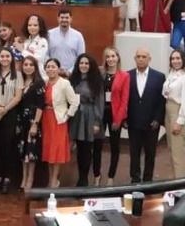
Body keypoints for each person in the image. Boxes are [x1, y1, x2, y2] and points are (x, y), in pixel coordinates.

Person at [126, 48, 166, 183]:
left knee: (150, 153)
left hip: (152, 123)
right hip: (133, 121)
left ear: (149, 59)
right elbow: (124, 99)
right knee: (134, 153)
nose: (141, 59)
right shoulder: (127, 75)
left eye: (144, 56)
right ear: (134, 59)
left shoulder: (159, 77)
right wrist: (124, 118)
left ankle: (148, 180)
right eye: (138, 56)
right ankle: (135, 179)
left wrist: (158, 119)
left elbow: (162, 100)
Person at [0, 48, 23, 194]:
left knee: (8, 146)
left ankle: (7, 179)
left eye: (7, 56)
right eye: (2, 56)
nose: (4, 59)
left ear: (12, 58)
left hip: (10, 113)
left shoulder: (18, 75)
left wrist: (5, 110)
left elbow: (18, 97)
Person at [42, 58, 79, 188]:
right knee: (48, 150)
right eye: (48, 67)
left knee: (56, 151)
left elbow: (74, 102)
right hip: (45, 119)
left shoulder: (64, 83)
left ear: (58, 69)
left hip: (58, 120)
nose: (50, 69)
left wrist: (67, 116)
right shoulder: (44, 82)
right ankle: (50, 177)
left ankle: (55, 179)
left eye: (53, 67)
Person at [95, 46, 129, 186]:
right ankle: (96, 175)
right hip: (100, 113)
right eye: (108, 56)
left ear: (118, 58)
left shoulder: (124, 76)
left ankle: (111, 176)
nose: (110, 59)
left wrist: (118, 120)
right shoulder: (100, 74)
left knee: (115, 146)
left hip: (115, 114)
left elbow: (124, 100)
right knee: (97, 145)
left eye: (113, 56)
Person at [68, 54, 104, 187]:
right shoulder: (73, 80)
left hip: (90, 115)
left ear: (91, 65)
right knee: (79, 148)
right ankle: (80, 175)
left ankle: (84, 178)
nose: (83, 66)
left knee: (87, 149)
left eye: (86, 63)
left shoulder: (96, 81)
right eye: (81, 63)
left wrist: (96, 122)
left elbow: (99, 102)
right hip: (76, 115)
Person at [163, 49, 185, 179]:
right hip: (169, 109)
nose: (175, 61)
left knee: (178, 152)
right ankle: (174, 179)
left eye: (178, 58)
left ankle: (181, 183)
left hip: (178, 112)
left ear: (184, 59)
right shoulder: (172, 73)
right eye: (173, 58)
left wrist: (180, 121)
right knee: (171, 149)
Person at [16, 56, 45, 190]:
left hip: (33, 120)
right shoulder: (20, 81)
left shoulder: (39, 83)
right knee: (23, 151)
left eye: (31, 65)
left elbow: (40, 105)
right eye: (26, 64)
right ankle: (23, 177)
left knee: (31, 151)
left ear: (35, 67)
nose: (28, 67)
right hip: (21, 120)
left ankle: (30, 179)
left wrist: (35, 124)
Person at [47, 8, 86, 77]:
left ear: (71, 19)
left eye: (67, 18)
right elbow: (46, 55)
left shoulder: (78, 35)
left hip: (72, 74)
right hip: (53, 74)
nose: (64, 20)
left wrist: (70, 71)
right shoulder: (49, 34)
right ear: (58, 18)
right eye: (62, 17)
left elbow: (81, 57)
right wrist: (53, 69)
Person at [14, 14, 49, 79]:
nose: (32, 27)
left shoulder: (42, 41)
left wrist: (22, 50)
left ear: (40, 27)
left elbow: (38, 59)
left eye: (35, 25)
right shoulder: (27, 41)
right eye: (29, 25)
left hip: (39, 75)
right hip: (26, 74)